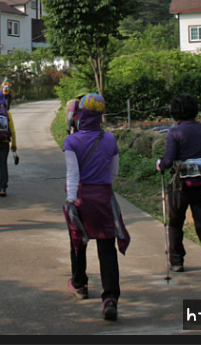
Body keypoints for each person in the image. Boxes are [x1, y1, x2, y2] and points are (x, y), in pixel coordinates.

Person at [63, 93, 130, 322]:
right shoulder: (110, 139)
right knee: (107, 248)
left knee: (78, 242)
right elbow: (114, 173)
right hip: (103, 198)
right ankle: (110, 298)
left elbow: (73, 175)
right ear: (100, 115)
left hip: (81, 198)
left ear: (80, 114)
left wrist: (71, 202)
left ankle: (80, 284)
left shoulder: (72, 142)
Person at [156, 93, 201, 287]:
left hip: (180, 185)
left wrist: (160, 164)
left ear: (174, 112)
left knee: (176, 223)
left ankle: (176, 260)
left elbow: (168, 161)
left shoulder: (174, 132)